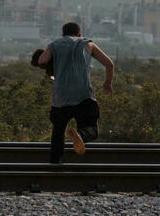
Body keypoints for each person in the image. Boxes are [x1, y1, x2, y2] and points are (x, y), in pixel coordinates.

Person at [37, 22, 114, 164]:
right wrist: (107, 84)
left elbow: (42, 60)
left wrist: (52, 62)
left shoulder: (54, 44)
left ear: (63, 34)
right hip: (83, 95)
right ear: (79, 33)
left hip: (60, 97)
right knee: (92, 129)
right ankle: (81, 135)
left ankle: (55, 163)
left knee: (58, 132)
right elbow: (109, 64)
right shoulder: (87, 43)